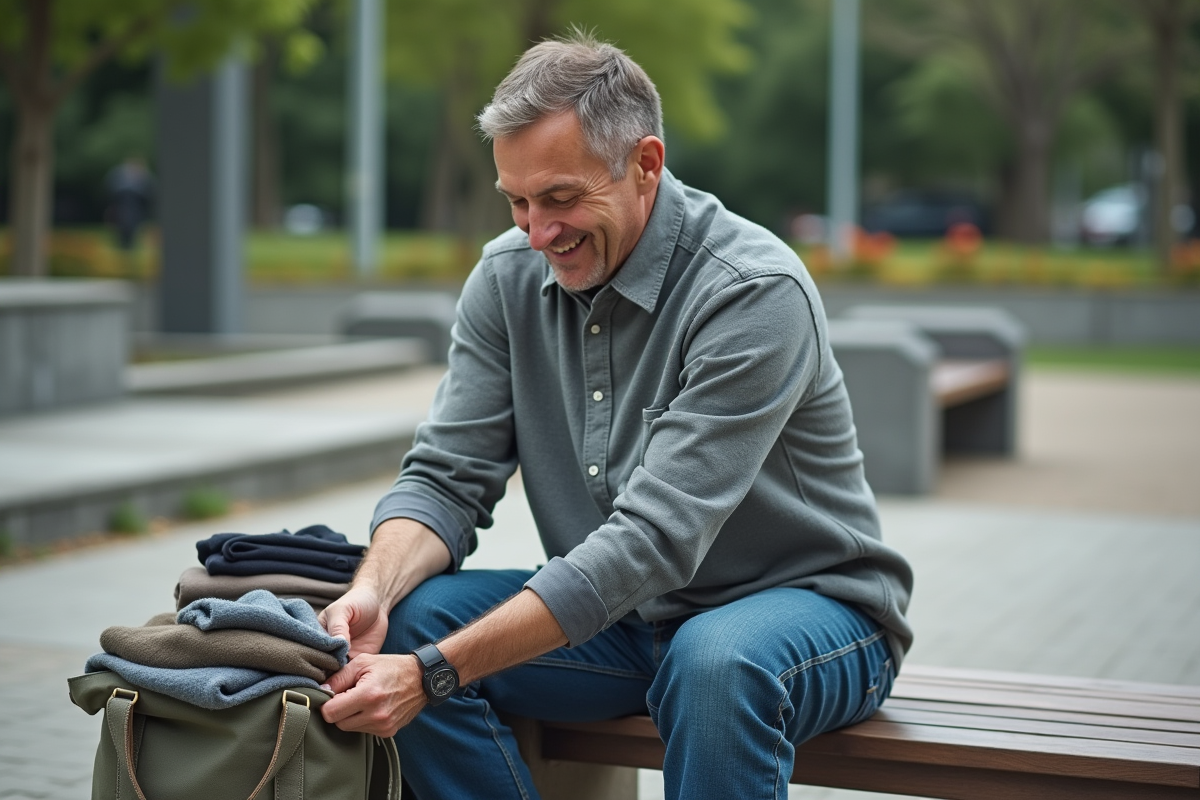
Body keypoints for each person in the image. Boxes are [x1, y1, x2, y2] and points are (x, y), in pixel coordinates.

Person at [319, 32, 914, 800]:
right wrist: (376, 586)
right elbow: (444, 477)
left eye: (561, 198)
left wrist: (435, 674)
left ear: (646, 165)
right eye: (518, 201)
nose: (537, 233)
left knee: (713, 666)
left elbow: (653, 539)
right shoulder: (506, 278)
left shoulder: (753, 291)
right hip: (625, 622)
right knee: (406, 626)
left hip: (811, 616)